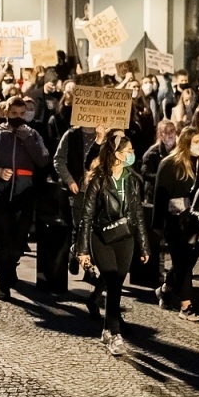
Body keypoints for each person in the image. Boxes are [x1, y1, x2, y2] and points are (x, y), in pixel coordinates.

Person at [75, 131, 150, 355]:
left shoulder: (133, 180)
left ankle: (107, 329)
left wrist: (144, 245)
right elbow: (86, 217)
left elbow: (137, 214)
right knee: (113, 282)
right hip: (102, 237)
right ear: (116, 154)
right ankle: (115, 335)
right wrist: (83, 250)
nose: (132, 155)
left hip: (124, 237)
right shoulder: (99, 180)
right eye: (128, 151)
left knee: (116, 282)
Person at [0, 97, 50, 301]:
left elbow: (43, 159)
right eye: (14, 114)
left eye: (22, 114)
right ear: (6, 113)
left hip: (24, 193)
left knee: (19, 240)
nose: (18, 118)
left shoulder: (32, 134)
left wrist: (27, 139)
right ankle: (3, 282)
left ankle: (10, 267)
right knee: (3, 237)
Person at [152, 127, 199, 321]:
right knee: (182, 262)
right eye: (195, 142)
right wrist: (157, 224)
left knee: (187, 261)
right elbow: (160, 196)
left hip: (197, 220)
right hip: (175, 219)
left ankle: (165, 289)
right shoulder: (169, 164)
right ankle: (186, 306)